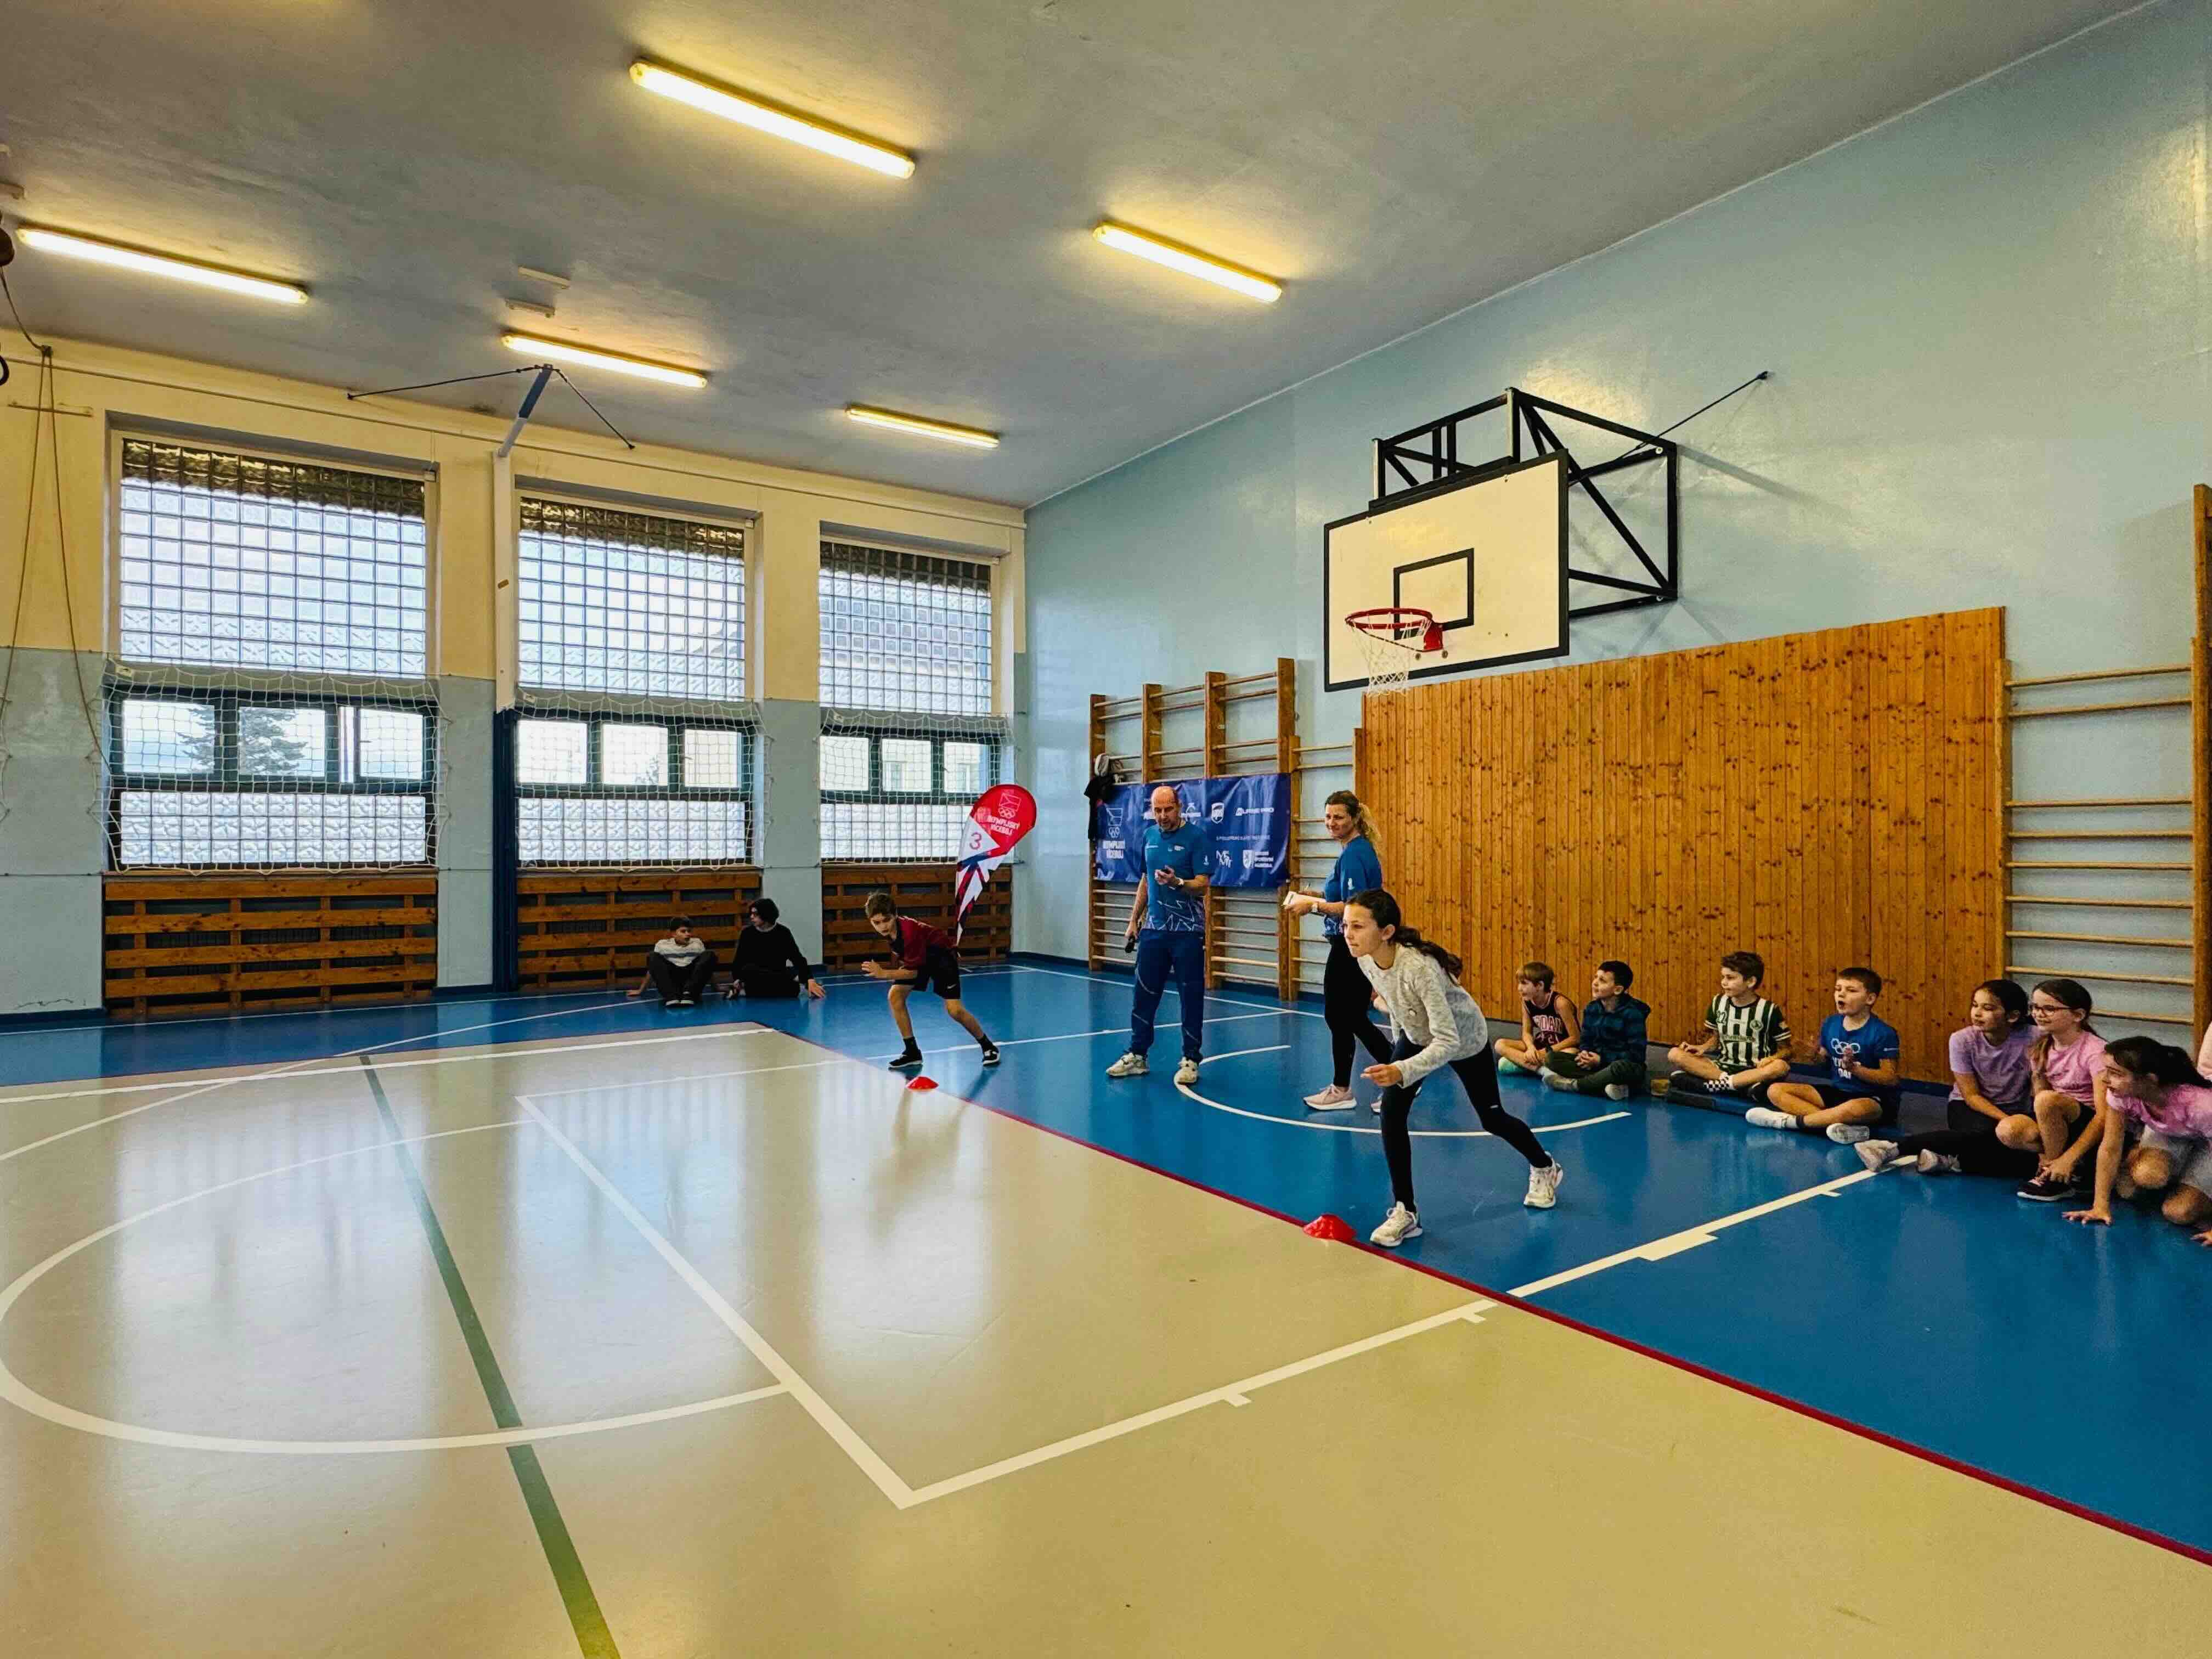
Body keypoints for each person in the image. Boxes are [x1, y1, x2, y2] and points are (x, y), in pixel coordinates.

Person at [1342, 889, 1563, 1246]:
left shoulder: (1419, 967)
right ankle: (1406, 1211)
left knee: (1492, 1118)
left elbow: (1447, 1041)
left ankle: (1544, 1165)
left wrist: (1404, 1069)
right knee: (1392, 1114)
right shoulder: (1365, 958)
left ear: (1386, 931)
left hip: (1464, 1039)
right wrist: (1401, 1057)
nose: (1348, 934)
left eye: (1357, 926)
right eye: (1345, 925)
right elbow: (1396, 1002)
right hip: (1417, 1034)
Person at [1855, 980, 2039, 1176]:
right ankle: (1891, 1147)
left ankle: (1950, 1161)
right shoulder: (1962, 1040)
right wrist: (2009, 1123)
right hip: (1969, 1107)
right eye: (1975, 1005)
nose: (1977, 1013)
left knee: (2033, 1157)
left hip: (2017, 1110)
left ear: (2013, 1016)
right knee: (1988, 1136)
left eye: (1988, 1008)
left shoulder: (2035, 1037)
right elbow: (1971, 1096)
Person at [1282, 788, 1389, 1109]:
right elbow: (1346, 897)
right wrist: (1316, 896)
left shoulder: (1355, 854)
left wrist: (1313, 906)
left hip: (1351, 946)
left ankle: (1385, 1079)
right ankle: (1358, 1084)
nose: (1332, 823)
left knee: (1343, 1016)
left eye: (1339, 817)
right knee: (1348, 1017)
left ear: (1354, 818)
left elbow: (1354, 908)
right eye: (1328, 817)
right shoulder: (1353, 851)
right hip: (1351, 944)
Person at [1105, 785, 1213, 1087]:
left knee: (1191, 996)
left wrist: (1178, 883)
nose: (1163, 816)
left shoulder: (1197, 838)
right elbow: (1145, 880)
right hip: (1154, 929)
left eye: (1168, 810)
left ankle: (1191, 1059)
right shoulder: (1149, 836)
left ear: (1179, 807)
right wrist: (1133, 920)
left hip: (1187, 932)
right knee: (1144, 995)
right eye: (1157, 810)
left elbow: (1203, 885)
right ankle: (1137, 1055)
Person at [2061, 1036, 2212, 1240]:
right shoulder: (2121, 1094)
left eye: (2116, 1074)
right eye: (2107, 1071)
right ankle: (2150, 1162)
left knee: (2179, 1212)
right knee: (2144, 1178)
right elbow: (2110, 1147)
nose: (2105, 1079)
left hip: (2204, 1138)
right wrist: (2100, 1206)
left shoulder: (2201, 1106)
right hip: (2173, 1131)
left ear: (2149, 1080)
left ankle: (2195, 1190)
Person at [1745, 967, 1899, 1143]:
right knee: (1775, 1090)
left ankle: (1788, 1122)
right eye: (1838, 989)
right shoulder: (1831, 1023)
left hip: (1872, 1099)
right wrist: (1813, 1056)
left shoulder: (1883, 1033)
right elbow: (1825, 1064)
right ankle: (1833, 1125)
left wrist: (1855, 1070)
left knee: (1853, 1109)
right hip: (1838, 1092)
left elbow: (1890, 1078)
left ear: (1870, 999)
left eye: (1851, 991)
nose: (1841, 994)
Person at [861, 892, 999, 1069]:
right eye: (877, 923)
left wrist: (884, 974)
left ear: (895, 915)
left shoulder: (909, 932)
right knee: (895, 996)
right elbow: (914, 965)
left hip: (942, 959)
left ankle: (988, 1046)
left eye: (886, 920)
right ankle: (912, 1052)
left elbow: (913, 973)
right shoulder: (892, 933)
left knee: (955, 1011)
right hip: (922, 960)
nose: (883, 926)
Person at [2014, 979, 2107, 1202]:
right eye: (2035, 1007)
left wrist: (2068, 1158)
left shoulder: (2096, 1052)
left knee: (2047, 1101)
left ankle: (2057, 1179)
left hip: (2093, 1125)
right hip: (2059, 1123)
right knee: (2009, 1129)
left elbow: (2104, 1116)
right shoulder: (2041, 1048)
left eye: (2049, 1008)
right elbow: (2040, 1100)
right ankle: (2057, 1168)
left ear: (2078, 1015)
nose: (2039, 1014)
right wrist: (2044, 1154)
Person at [1664, 951, 1791, 1105]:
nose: (1724, 982)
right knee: (1675, 1054)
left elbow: (1787, 1050)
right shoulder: (1718, 1002)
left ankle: (1715, 1085)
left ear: (1751, 981)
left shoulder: (1769, 1010)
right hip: (1721, 1068)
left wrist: (1771, 1059)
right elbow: (1716, 1039)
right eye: (1723, 977)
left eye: (1730, 978)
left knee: (1780, 1067)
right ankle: (1738, 1086)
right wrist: (1702, 1048)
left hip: (1755, 1070)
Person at [1541, 960, 1650, 1099]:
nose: (1595, 983)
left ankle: (1576, 1085)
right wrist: (1584, 1053)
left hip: (1620, 1065)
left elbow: (1637, 1055)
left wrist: (1602, 1059)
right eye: (1596, 977)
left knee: (1619, 1068)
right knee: (1552, 1059)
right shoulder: (1592, 1008)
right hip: (1594, 1065)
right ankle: (1608, 1087)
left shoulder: (1633, 1014)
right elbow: (1585, 1040)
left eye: (1602, 980)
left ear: (1617, 990)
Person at [730, 897, 824, 1000]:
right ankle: (791, 980)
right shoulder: (748, 933)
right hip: (755, 976)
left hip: (777, 974)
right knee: (749, 970)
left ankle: (748, 991)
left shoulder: (783, 933)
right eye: (751, 914)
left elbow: (797, 958)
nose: (751, 917)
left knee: (793, 989)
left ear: (766, 915)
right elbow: (739, 961)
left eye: (755, 914)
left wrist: (809, 979)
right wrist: (737, 979)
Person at [1495, 961, 1578, 1077]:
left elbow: (1575, 1038)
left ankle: (1527, 1065)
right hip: (1540, 1046)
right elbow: (1526, 1032)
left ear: (1540, 985)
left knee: (1572, 1053)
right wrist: (1531, 1049)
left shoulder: (1560, 1003)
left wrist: (1545, 1052)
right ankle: (1542, 1070)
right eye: (1519, 983)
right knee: (1500, 1045)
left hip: (1560, 1049)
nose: (1519, 988)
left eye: (1524, 984)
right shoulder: (1526, 1002)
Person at [628, 917, 717, 1008]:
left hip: (691, 983)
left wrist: (716, 987)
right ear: (674, 934)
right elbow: (652, 970)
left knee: (709, 955)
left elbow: (705, 968)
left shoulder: (697, 943)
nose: (688, 934)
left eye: (689, 931)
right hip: (673, 982)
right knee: (652, 956)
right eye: (683, 931)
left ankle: (689, 995)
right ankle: (671, 996)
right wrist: (641, 990)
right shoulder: (662, 945)